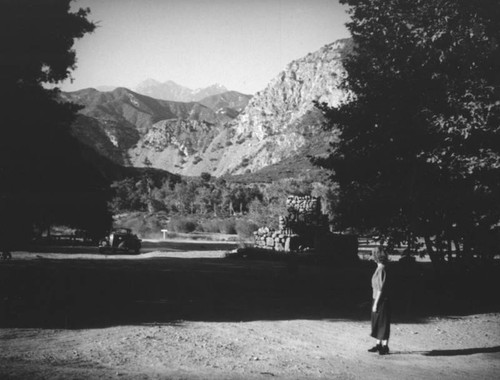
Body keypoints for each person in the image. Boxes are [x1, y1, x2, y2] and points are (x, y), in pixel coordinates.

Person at [368, 246, 391, 355]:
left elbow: (380, 289)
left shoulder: (382, 269)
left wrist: (376, 304)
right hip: (377, 299)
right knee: (377, 322)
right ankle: (378, 344)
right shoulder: (379, 268)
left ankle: (385, 346)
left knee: (383, 323)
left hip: (381, 300)